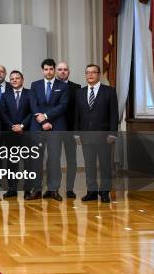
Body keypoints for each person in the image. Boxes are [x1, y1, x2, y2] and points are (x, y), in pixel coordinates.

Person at [74, 64, 118, 203]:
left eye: (93, 72)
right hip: (86, 136)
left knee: (105, 165)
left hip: (104, 136)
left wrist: (113, 133)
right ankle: (91, 191)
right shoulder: (80, 93)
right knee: (89, 165)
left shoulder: (109, 91)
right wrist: (76, 134)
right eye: (87, 72)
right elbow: (77, 115)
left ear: (99, 74)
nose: (90, 75)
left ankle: (105, 192)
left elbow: (114, 115)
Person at [27, 59, 69, 201]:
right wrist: (43, 121)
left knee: (54, 159)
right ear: (42, 70)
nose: (49, 72)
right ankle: (36, 190)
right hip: (37, 127)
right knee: (36, 160)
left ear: (54, 69)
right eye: (46, 69)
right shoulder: (35, 85)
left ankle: (53, 189)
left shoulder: (63, 86)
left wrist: (45, 116)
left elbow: (63, 106)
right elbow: (33, 104)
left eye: (51, 69)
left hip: (56, 127)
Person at [0, 70, 32, 198]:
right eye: (12, 78)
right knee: (11, 163)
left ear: (22, 80)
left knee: (28, 162)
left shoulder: (30, 93)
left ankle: (28, 189)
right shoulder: (5, 95)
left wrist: (22, 125)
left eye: (17, 78)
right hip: (11, 133)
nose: (14, 80)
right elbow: (3, 113)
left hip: (26, 132)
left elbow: (32, 112)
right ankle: (12, 188)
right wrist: (12, 126)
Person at [56, 61, 82, 199]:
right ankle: (54, 189)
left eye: (65, 69)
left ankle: (70, 189)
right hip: (54, 130)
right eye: (60, 69)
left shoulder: (77, 88)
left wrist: (77, 131)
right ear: (56, 71)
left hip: (71, 130)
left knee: (72, 161)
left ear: (69, 72)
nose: (62, 71)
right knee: (54, 160)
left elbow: (79, 111)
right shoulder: (50, 87)